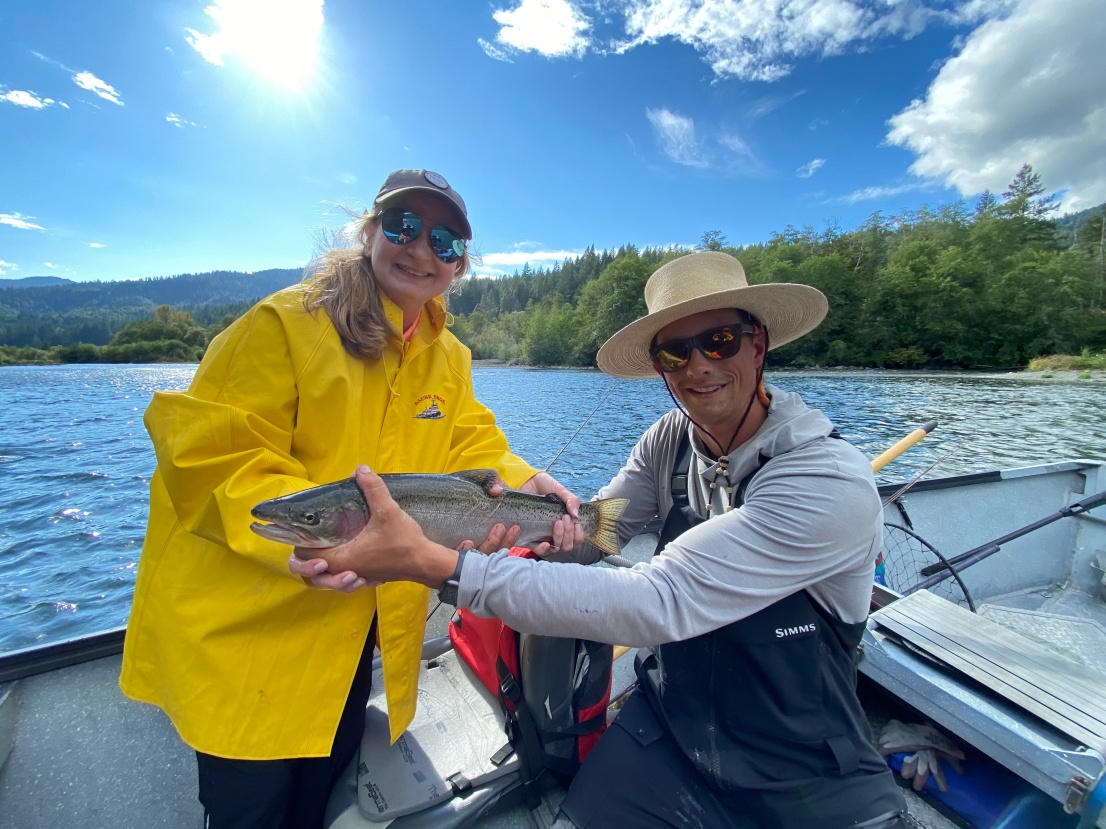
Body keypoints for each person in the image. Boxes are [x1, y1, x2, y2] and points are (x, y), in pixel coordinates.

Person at [296, 250, 910, 828]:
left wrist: (434, 566)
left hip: (804, 757)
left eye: (719, 341)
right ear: (659, 368)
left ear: (759, 344)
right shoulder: (668, 442)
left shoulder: (826, 480)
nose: (699, 366)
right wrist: (538, 538)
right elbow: (596, 532)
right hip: (670, 726)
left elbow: (658, 602)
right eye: (676, 352)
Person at [119, 168, 580, 829]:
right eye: (403, 227)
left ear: (460, 265)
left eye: (445, 241)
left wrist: (527, 483)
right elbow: (215, 457)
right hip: (249, 641)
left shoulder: (448, 356)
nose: (422, 250)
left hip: (350, 643)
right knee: (248, 814)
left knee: (319, 805)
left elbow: (473, 445)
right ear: (369, 233)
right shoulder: (282, 324)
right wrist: (323, 537)